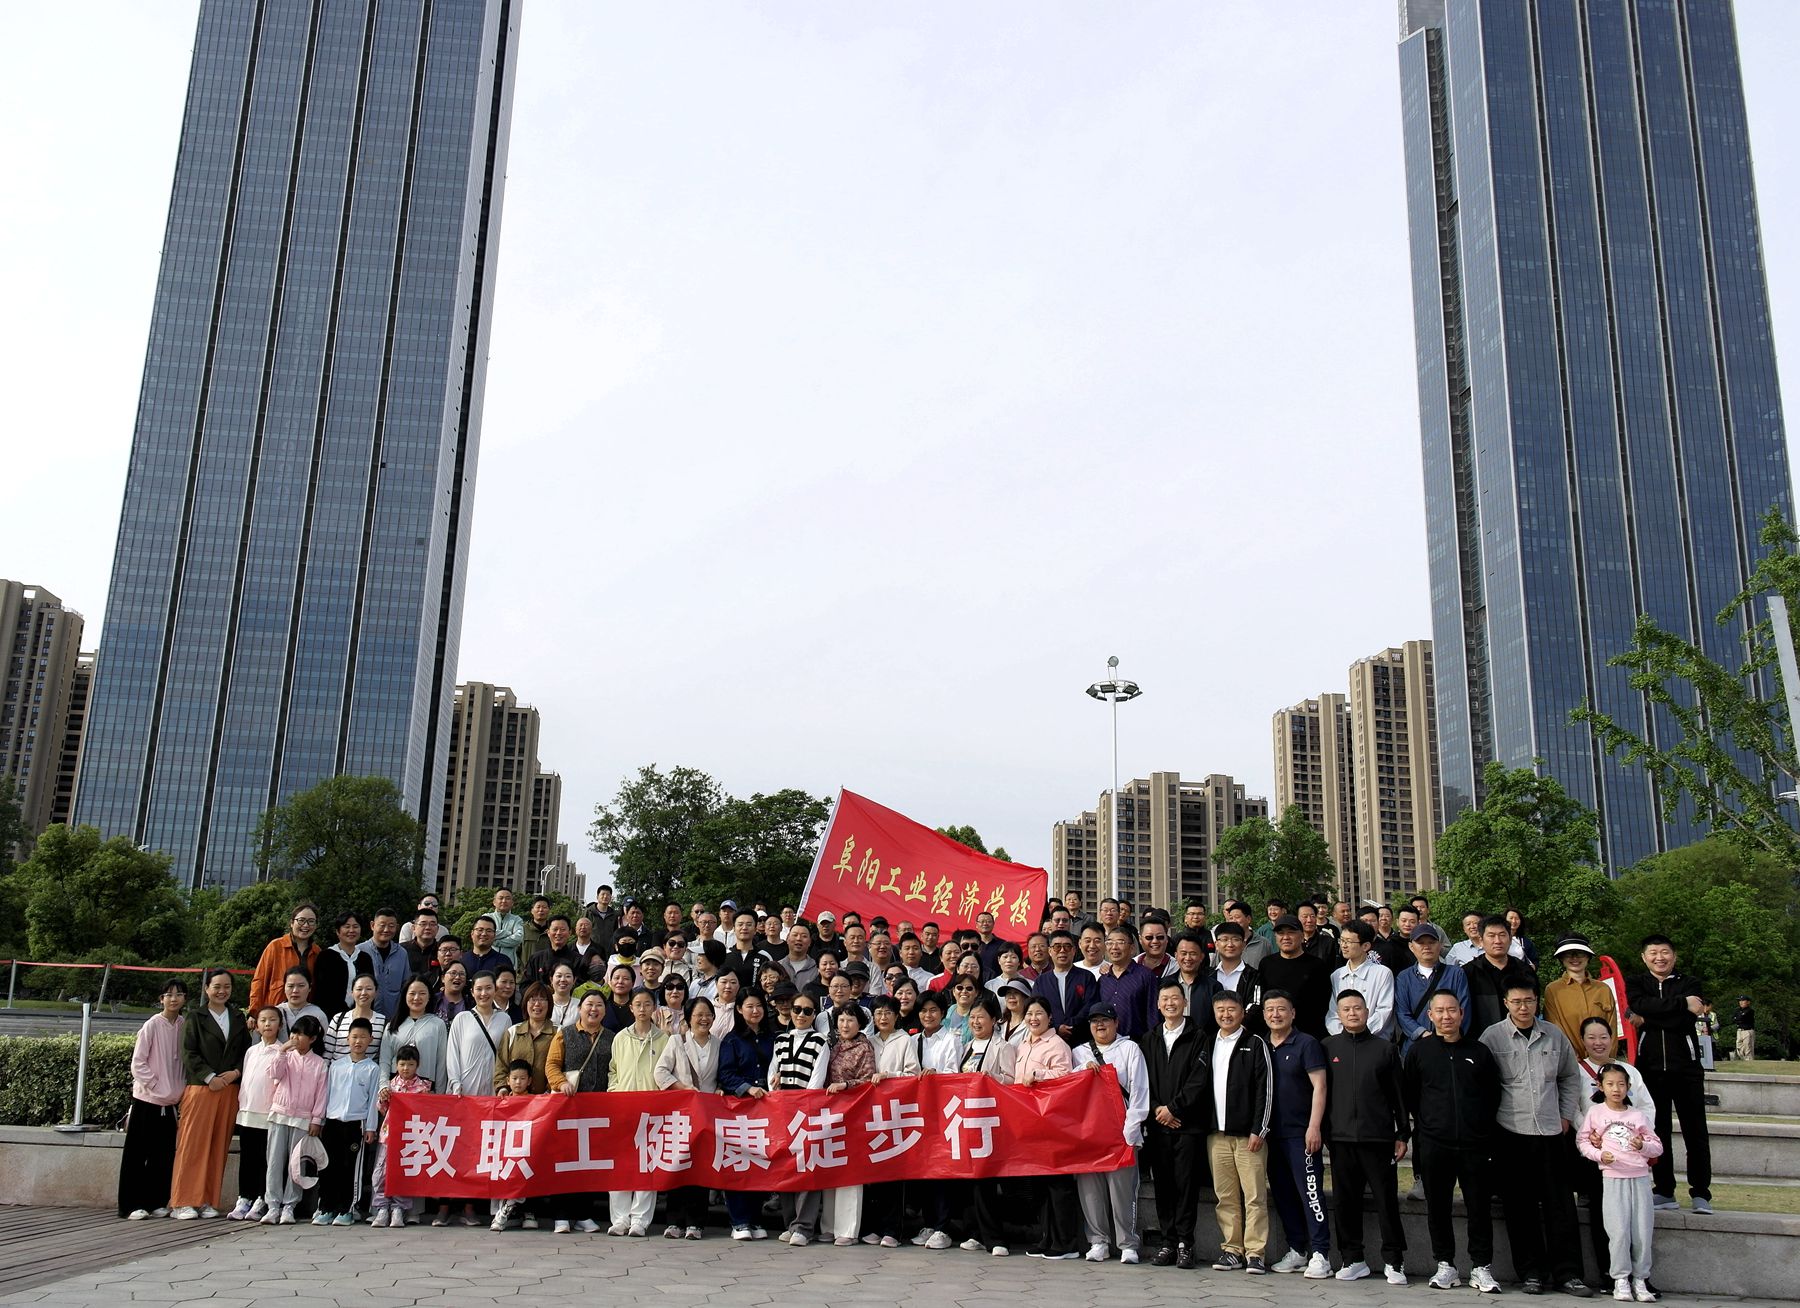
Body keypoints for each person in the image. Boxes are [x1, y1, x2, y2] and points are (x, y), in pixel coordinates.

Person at [1481, 979, 1591, 1297]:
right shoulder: (1492, 1037)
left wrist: (1565, 1114)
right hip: (1511, 1132)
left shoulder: (1554, 1035)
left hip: (1551, 1131)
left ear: (1537, 1002)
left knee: (1561, 1207)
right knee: (1520, 1207)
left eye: (1528, 1001)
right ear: (1506, 1003)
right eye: (1516, 1002)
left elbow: (1570, 1077)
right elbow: (1482, 1082)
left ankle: (1569, 1274)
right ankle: (1531, 1273)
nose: (1523, 1007)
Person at [1403, 989, 1503, 1294]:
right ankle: (1445, 1263)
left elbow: (1492, 1094)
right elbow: (1411, 1095)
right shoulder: (1419, 1052)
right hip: (1435, 1143)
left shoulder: (1479, 1051)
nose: (1446, 1016)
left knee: (1479, 1207)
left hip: (1475, 1144)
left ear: (1461, 1013)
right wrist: (1429, 1126)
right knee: (1438, 1207)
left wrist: (1481, 1130)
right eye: (1440, 1011)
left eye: (1452, 1010)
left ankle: (1481, 1266)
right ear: (1430, 1016)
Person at [1323, 988, 1409, 1285]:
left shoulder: (1385, 1049)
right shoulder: (1328, 1047)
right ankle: (1352, 1258)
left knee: (1386, 1201)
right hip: (1340, 1138)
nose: (1352, 1013)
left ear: (1367, 1012)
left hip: (1378, 1138)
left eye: (1357, 1008)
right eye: (1346, 1009)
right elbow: (1321, 1094)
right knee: (1345, 1202)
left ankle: (1394, 1261)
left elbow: (1398, 1095)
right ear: (1338, 1014)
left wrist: (1402, 1132)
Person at [1626, 935, 1712, 1214]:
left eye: (1665, 952)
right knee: (1656, 1131)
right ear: (1644, 957)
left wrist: (1648, 1018)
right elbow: (1639, 1005)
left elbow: (1685, 1019)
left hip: (1687, 1069)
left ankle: (1701, 1193)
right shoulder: (1636, 982)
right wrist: (1681, 1003)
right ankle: (1664, 1190)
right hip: (1650, 1069)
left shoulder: (1690, 983)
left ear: (1674, 956)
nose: (1659, 957)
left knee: (1695, 1132)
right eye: (1653, 952)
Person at [1573, 1016, 1657, 1284]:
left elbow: (1646, 1106)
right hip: (1598, 1155)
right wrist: (1591, 1134)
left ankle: (1640, 1276)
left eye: (1603, 1037)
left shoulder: (1628, 1072)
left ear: (1612, 1039)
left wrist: (1640, 1136)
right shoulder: (1576, 1072)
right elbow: (1572, 1107)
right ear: (1583, 1041)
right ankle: (1610, 1274)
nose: (1598, 1043)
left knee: (1638, 1220)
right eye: (1591, 1038)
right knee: (1605, 1217)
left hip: (1630, 1157)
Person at [169, 968, 252, 1219]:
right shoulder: (195, 1016)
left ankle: (207, 1199)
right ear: (207, 989)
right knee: (193, 1145)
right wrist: (209, 1077)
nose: (222, 991)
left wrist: (235, 1073)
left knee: (218, 1146)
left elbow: (245, 1051)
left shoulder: (237, 1017)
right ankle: (183, 1201)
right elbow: (188, 1052)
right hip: (201, 1088)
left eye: (227, 986)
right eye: (217, 986)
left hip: (229, 1088)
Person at [1576, 1067, 1663, 1304]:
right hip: (1613, 1178)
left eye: (1621, 1084)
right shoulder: (1595, 1113)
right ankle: (1620, 1279)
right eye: (1611, 1084)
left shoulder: (1637, 1116)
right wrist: (1599, 1155)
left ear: (1629, 1087)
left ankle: (1641, 1279)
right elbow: (1583, 1141)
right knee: (1618, 1232)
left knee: (1642, 1231)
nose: (1616, 1089)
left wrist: (1642, 1146)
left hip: (1640, 1178)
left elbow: (1657, 1146)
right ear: (1600, 1086)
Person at [1138, 977, 1208, 1269]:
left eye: (1175, 998)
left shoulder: (1199, 1036)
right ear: (1158, 1004)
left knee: (1186, 1186)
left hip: (1187, 1125)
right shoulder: (1149, 1038)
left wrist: (1174, 1108)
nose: (1170, 1003)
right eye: (1165, 999)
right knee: (1163, 1186)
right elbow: (1142, 1080)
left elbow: (1198, 1080)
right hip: (1158, 1125)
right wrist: (1157, 1109)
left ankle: (1185, 1244)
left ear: (1185, 1002)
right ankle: (1167, 1242)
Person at [1261, 990, 1331, 1279]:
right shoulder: (1262, 1045)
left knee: (1310, 1194)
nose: (1275, 1014)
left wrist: (1314, 1127)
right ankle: (1297, 1249)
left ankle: (1321, 1253)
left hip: (1301, 1133)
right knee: (1283, 1194)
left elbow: (1320, 1087)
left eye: (1281, 1009)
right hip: (1271, 1134)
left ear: (1292, 1013)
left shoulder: (1307, 1044)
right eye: (1270, 1010)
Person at [1205, 989, 1274, 1274]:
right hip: (1217, 1135)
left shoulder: (1255, 1043)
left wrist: (1260, 1129)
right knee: (1226, 1196)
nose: (1226, 1015)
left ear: (1242, 1012)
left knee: (1254, 1196)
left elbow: (1265, 1089)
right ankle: (1232, 1249)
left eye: (1231, 1009)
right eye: (1220, 1010)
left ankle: (1255, 1253)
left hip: (1249, 1135)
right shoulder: (1209, 1042)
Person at [1074, 1000, 1148, 1264]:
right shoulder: (1079, 1052)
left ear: (1116, 1022)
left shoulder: (1130, 1049)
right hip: (1089, 1133)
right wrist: (1081, 1070)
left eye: (1105, 1020)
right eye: (1095, 1021)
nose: (1100, 1025)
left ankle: (1128, 1243)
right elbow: (1065, 1085)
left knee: (1122, 1190)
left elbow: (1140, 1090)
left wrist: (1131, 1129)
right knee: (1090, 1189)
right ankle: (1098, 1241)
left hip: (1121, 1132)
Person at [1015, 996, 1081, 1258]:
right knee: (1040, 1184)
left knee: (1059, 1183)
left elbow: (1066, 1078)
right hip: (1030, 1122)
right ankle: (1047, 1237)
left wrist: (1039, 1075)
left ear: (1050, 1017)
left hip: (1054, 1123)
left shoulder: (1057, 1044)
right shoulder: (1022, 1045)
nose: (1033, 1018)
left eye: (1039, 1013)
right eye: (1029, 1014)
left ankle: (1066, 1242)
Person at [544, 992, 613, 1233]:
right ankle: (561, 1215)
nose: (593, 1009)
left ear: (604, 1011)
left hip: (598, 1112)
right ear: (579, 1009)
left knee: (590, 1164)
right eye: (589, 1005)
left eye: (599, 1005)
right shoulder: (565, 1034)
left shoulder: (612, 1037)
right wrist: (561, 1082)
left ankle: (584, 1214)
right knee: (565, 1161)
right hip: (568, 1109)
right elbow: (552, 1065)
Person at [120, 979, 188, 1220]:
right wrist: (156, 1085)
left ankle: (156, 1201)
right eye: (168, 995)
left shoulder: (184, 1025)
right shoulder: (151, 1025)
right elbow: (138, 1063)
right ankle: (130, 1205)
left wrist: (176, 1090)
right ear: (161, 999)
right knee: (138, 1155)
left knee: (164, 1155)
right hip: (147, 1101)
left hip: (170, 1103)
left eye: (179, 994)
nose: (173, 999)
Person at [655, 996, 723, 1239]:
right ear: (689, 1018)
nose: (704, 1019)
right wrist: (683, 1088)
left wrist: (720, 1089)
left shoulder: (719, 1044)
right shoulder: (677, 1041)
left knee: (700, 1169)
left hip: (706, 1116)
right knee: (678, 1167)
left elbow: (721, 1075)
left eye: (708, 1014)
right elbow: (660, 1072)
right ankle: (674, 1221)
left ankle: (696, 1223)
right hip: (681, 1115)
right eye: (698, 1015)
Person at [607, 988, 668, 1236]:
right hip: (623, 1108)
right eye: (638, 1004)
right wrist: (615, 1092)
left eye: (647, 1004)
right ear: (631, 1008)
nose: (642, 1009)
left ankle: (640, 1220)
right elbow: (613, 1070)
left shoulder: (663, 1039)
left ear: (654, 1008)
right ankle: (620, 1218)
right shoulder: (620, 1038)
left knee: (647, 1165)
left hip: (651, 1110)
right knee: (621, 1164)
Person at [718, 991, 777, 1241]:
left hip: (767, 1108)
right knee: (738, 1164)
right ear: (739, 1009)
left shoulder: (772, 1038)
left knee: (760, 1164)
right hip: (740, 1109)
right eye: (749, 1006)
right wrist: (747, 1088)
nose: (755, 1011)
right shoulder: (731, 1040)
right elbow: (725, 1074)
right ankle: (739, 1221)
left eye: (759, 1006)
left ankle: (755, 1218)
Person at [817, 1004, 878, 1246]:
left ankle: (847, 1229)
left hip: (854, 1114)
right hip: (832, 1115)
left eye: (850, 1020)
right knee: (830, 1167)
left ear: (860, 1023)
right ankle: (828, 1226)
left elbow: (868, 1080)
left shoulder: (864, 1047)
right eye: (841, 1020)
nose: (845, 1025)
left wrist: (846, 1085)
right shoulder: (833, 1046)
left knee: (850, 1172)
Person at [259, 1015, 328, 1226]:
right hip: (280, 1114)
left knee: (296, 1165)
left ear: (313, 1039)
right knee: (274, 1161)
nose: (295, 1038)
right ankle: (273, 1205)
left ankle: (290, 1205)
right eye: (294, 1033)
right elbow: (274, 1074)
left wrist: (317, 1119)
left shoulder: (320, 1064)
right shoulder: (286, 1056)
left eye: (301, 1034)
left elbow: (321, 1094)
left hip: (303, 1119)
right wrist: (281, 1051)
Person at [314, 1017, 382, 1225]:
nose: (358, 1041)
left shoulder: (372, 1069)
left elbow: (373, 1100)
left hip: (356, 1124)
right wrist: (320, 1120)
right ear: (347, 1039)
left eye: (363, 1037)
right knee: (328, 1166)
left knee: (350, 1168)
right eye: (354, 1037)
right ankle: (326, 1207)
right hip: (333, 1122)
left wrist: (370, 1127)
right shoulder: (336, 1066)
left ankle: (347, 1209)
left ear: (370, 1040)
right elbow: (326, 1094)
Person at [226, 1006, 284, 1222]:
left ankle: (261, 1198)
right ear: (256, 1025)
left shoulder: (282, 1051)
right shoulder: (251, 1051)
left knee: (264, 1159)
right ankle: (244, 1197)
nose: (267, 1024)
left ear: (280, 1025)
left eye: (272, 1020)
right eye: (263, 1020)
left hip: (267, 1114)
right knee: (247, 1158)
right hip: (247, 1112)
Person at [368, 1044, 431, 1227]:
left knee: (403, 1172)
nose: (406, 1068)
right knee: (381, 1172)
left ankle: (398, 1208)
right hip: (389, 1136)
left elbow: (427, 1111)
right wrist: (383, 1098)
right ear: (396, 1065)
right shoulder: (390, 1086)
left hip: (410, 1137)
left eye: (410, 1064)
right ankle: (382, 1207)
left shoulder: (423, 1087)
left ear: (417, 1065)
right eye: (402, 1064)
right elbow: (382, 1109)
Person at [1394, 921, 1470, 1053]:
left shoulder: (1456, 973)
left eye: (1431, 942)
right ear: (1411, 947)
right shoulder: (1404, 977)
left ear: (1439, 945)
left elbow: (1464, 1009)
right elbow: (1402, 1013)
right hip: (1415, 1046)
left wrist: (1450, 1036)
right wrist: (1422, 1034)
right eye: (1420, 943)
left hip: (1451, 1045)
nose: (1426, 947)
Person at [1544, 935, 1619, 1051]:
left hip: (1602, 1057)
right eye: (1568, 954)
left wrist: (1607, 1057)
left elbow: (1612, 1027)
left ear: (1588, 957)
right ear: (1561, 958)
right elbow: (1554, 1027)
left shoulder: (1603, 989)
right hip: (1569, 1057)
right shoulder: (1553, 990)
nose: (1575, 958)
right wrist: (1571, 1057)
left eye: (1580, 953)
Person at [1463, 915, 1536, 1034]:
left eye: (1502, 935)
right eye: (1491, 935)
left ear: (1510, 939)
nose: (1497, 941)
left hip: (1520, 1038)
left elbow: (1534, 1007)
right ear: (1481, 940)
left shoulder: (1524, 971)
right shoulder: (1468, 973)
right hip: (1480, 1039)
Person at [1260, 916, 1330, 1039]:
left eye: (1291, 932)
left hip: (1309, 1035)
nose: (1286, 937)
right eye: (1281, 933)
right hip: (1274, 1034)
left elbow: (1323, 1003)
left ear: (1302, 936)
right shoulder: (1266, 964)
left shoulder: (1317, 965)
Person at [1325, 921, 1395, 1040]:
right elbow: (1333, 1013)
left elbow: (1384, 1011)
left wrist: (1360, 1033)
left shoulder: (1382, 973)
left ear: (1365, 946)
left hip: (1375, 1040)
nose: (1344, 946)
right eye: (1342, 940)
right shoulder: (1337, 975)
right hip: (1343, 1041)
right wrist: (1344, 1036)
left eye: (1348, 941)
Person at [249, 903, 322, 1014]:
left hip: (306, 1014)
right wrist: (254, 1012)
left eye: (311, 921)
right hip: (275, 1012)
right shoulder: (275, 946)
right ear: (292, 923)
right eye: (301, 920)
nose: (306, 925)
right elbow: (260, 980)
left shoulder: (317, 952)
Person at [382, 977, 448, 1092]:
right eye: (412, 993)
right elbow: (385, 1060)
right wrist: (383, 1086)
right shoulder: (393, 1025)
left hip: (426, 1091)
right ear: (405, 996)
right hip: (395, 1090)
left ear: (429, 996)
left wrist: (439, 1094)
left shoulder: (438, 1025)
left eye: (422, 993)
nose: (417, 998)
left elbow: (441, 1063)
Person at [1033, 930, 1096, 1044]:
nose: (1062, 951)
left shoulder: (1086, 977)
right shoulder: (1041, 981)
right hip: (1050, 1040)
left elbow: (1090, 1006)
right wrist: (1056, 1028)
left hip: (1082, 1040)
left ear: (1073, 950)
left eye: (1067, 947)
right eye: (1057, 947)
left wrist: (1070, 1025)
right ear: (1050, 951)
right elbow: (1037, 1010)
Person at [495, 983, 558, 1093]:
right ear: (525, 1003)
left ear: (550, 1004)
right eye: (533, 999)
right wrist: (502, 1088)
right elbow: (501, 1065)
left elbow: (562, 1067)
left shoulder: (558, 1033)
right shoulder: (512, 1032)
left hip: (548, 1099)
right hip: (515, 1100)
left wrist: (549, 1092)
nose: (537, 1004)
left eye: (542, 999)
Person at [312, 911, 371, 1018]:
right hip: (329, 1016)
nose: (351, 930)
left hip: (359, 1016)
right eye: (347, 926)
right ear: (337, 931)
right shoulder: (326, 957)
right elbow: (319, 991)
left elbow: (370, 988)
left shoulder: (365, 958)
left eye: (355, 926)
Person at [357, 909, 410, 1020]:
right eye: (382, 925)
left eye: (391, 926)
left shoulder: (402, 953)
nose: (386, 930)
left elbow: (406, 985)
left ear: (397, 927)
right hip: (364, 1018)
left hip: (393, 1018)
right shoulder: (359, 951)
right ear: (372, 925)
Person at [324, 975, 388, 1062]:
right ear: (352, 993)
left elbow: (384, 1056)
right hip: (337, 1069)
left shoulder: (383, 1022)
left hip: (367, 1070)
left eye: (369, 989)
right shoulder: (338, 1019)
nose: (363, 993)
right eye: (359, 989)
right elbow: (327, 1052)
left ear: (376, 992)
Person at [273, 967, 328, 1040]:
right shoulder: (275, 1012)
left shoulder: (318, 1014)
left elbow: (324, 1043)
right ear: (284, 988)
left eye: (301, 986)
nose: (295, 990)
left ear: (310, 988)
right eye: (290, 986)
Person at [490, 888, 525, 964]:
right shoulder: (487, 918)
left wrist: (495, 942)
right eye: (501, 898)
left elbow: (518, 938)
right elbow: (487, 934)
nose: (504, 901)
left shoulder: (517, 919)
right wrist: (508, 933)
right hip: (489, 961)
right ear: (494, 902)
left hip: (509, 963)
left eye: (508, 898)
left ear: (512, 903)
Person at [1734, 995, 1756, 1062]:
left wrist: (1739, 1018)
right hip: (1739, 1030)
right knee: (1739, 1047)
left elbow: (1742, 1018)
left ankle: (1749, 1062)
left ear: (1748, 1002)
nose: (1740, 1002)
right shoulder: (1737, 1010)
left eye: (1743, 1000)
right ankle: (1744, 1060)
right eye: (1740, 1001)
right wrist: (1739, 1018)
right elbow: (1734, 1019)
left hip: (1747, 1031)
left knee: (1748, 1048)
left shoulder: (1750, 1011)